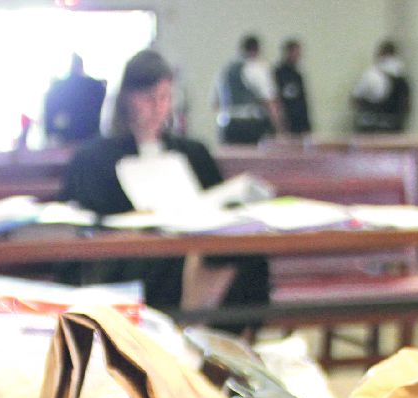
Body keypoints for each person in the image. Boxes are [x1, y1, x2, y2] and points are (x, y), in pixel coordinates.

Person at [59, 49, 268, 321]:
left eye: (165, 97)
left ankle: (220, 341)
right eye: (148, 98)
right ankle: (190, 330)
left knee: (247, 253)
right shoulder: (95, 157)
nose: (158, 107)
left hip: (195, 243)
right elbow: (87, 220)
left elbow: (218, 204)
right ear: (126, 98)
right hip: (134, 256)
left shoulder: (193, 152)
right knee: (181, 257)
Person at [213, 35, 284, 145]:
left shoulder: (225, 71)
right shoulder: (257, 69)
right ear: (257, 50)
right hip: (251, 125)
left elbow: (215, 104)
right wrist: (280, 128)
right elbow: (270, 101)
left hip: (228, 125)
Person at [42, 54, 107, 145]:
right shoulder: (94, 86)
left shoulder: (58, 87)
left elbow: (49, 119)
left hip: (68, 139)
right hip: (89, 138)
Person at [352, 40, 411, 133]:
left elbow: (356, 98)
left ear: (381, 53)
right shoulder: (403, 76)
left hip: (373, 128)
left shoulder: (372, 74)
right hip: (396, 128)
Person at [273, 39, 311, 137]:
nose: (299, 55)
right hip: (288, 121)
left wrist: (306, 124)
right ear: (288, 52)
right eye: (296, 52)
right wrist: (281, 123)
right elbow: (277, 99)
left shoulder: (297, 75)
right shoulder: (278, 73)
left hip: (301, 122)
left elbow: (302, 100)